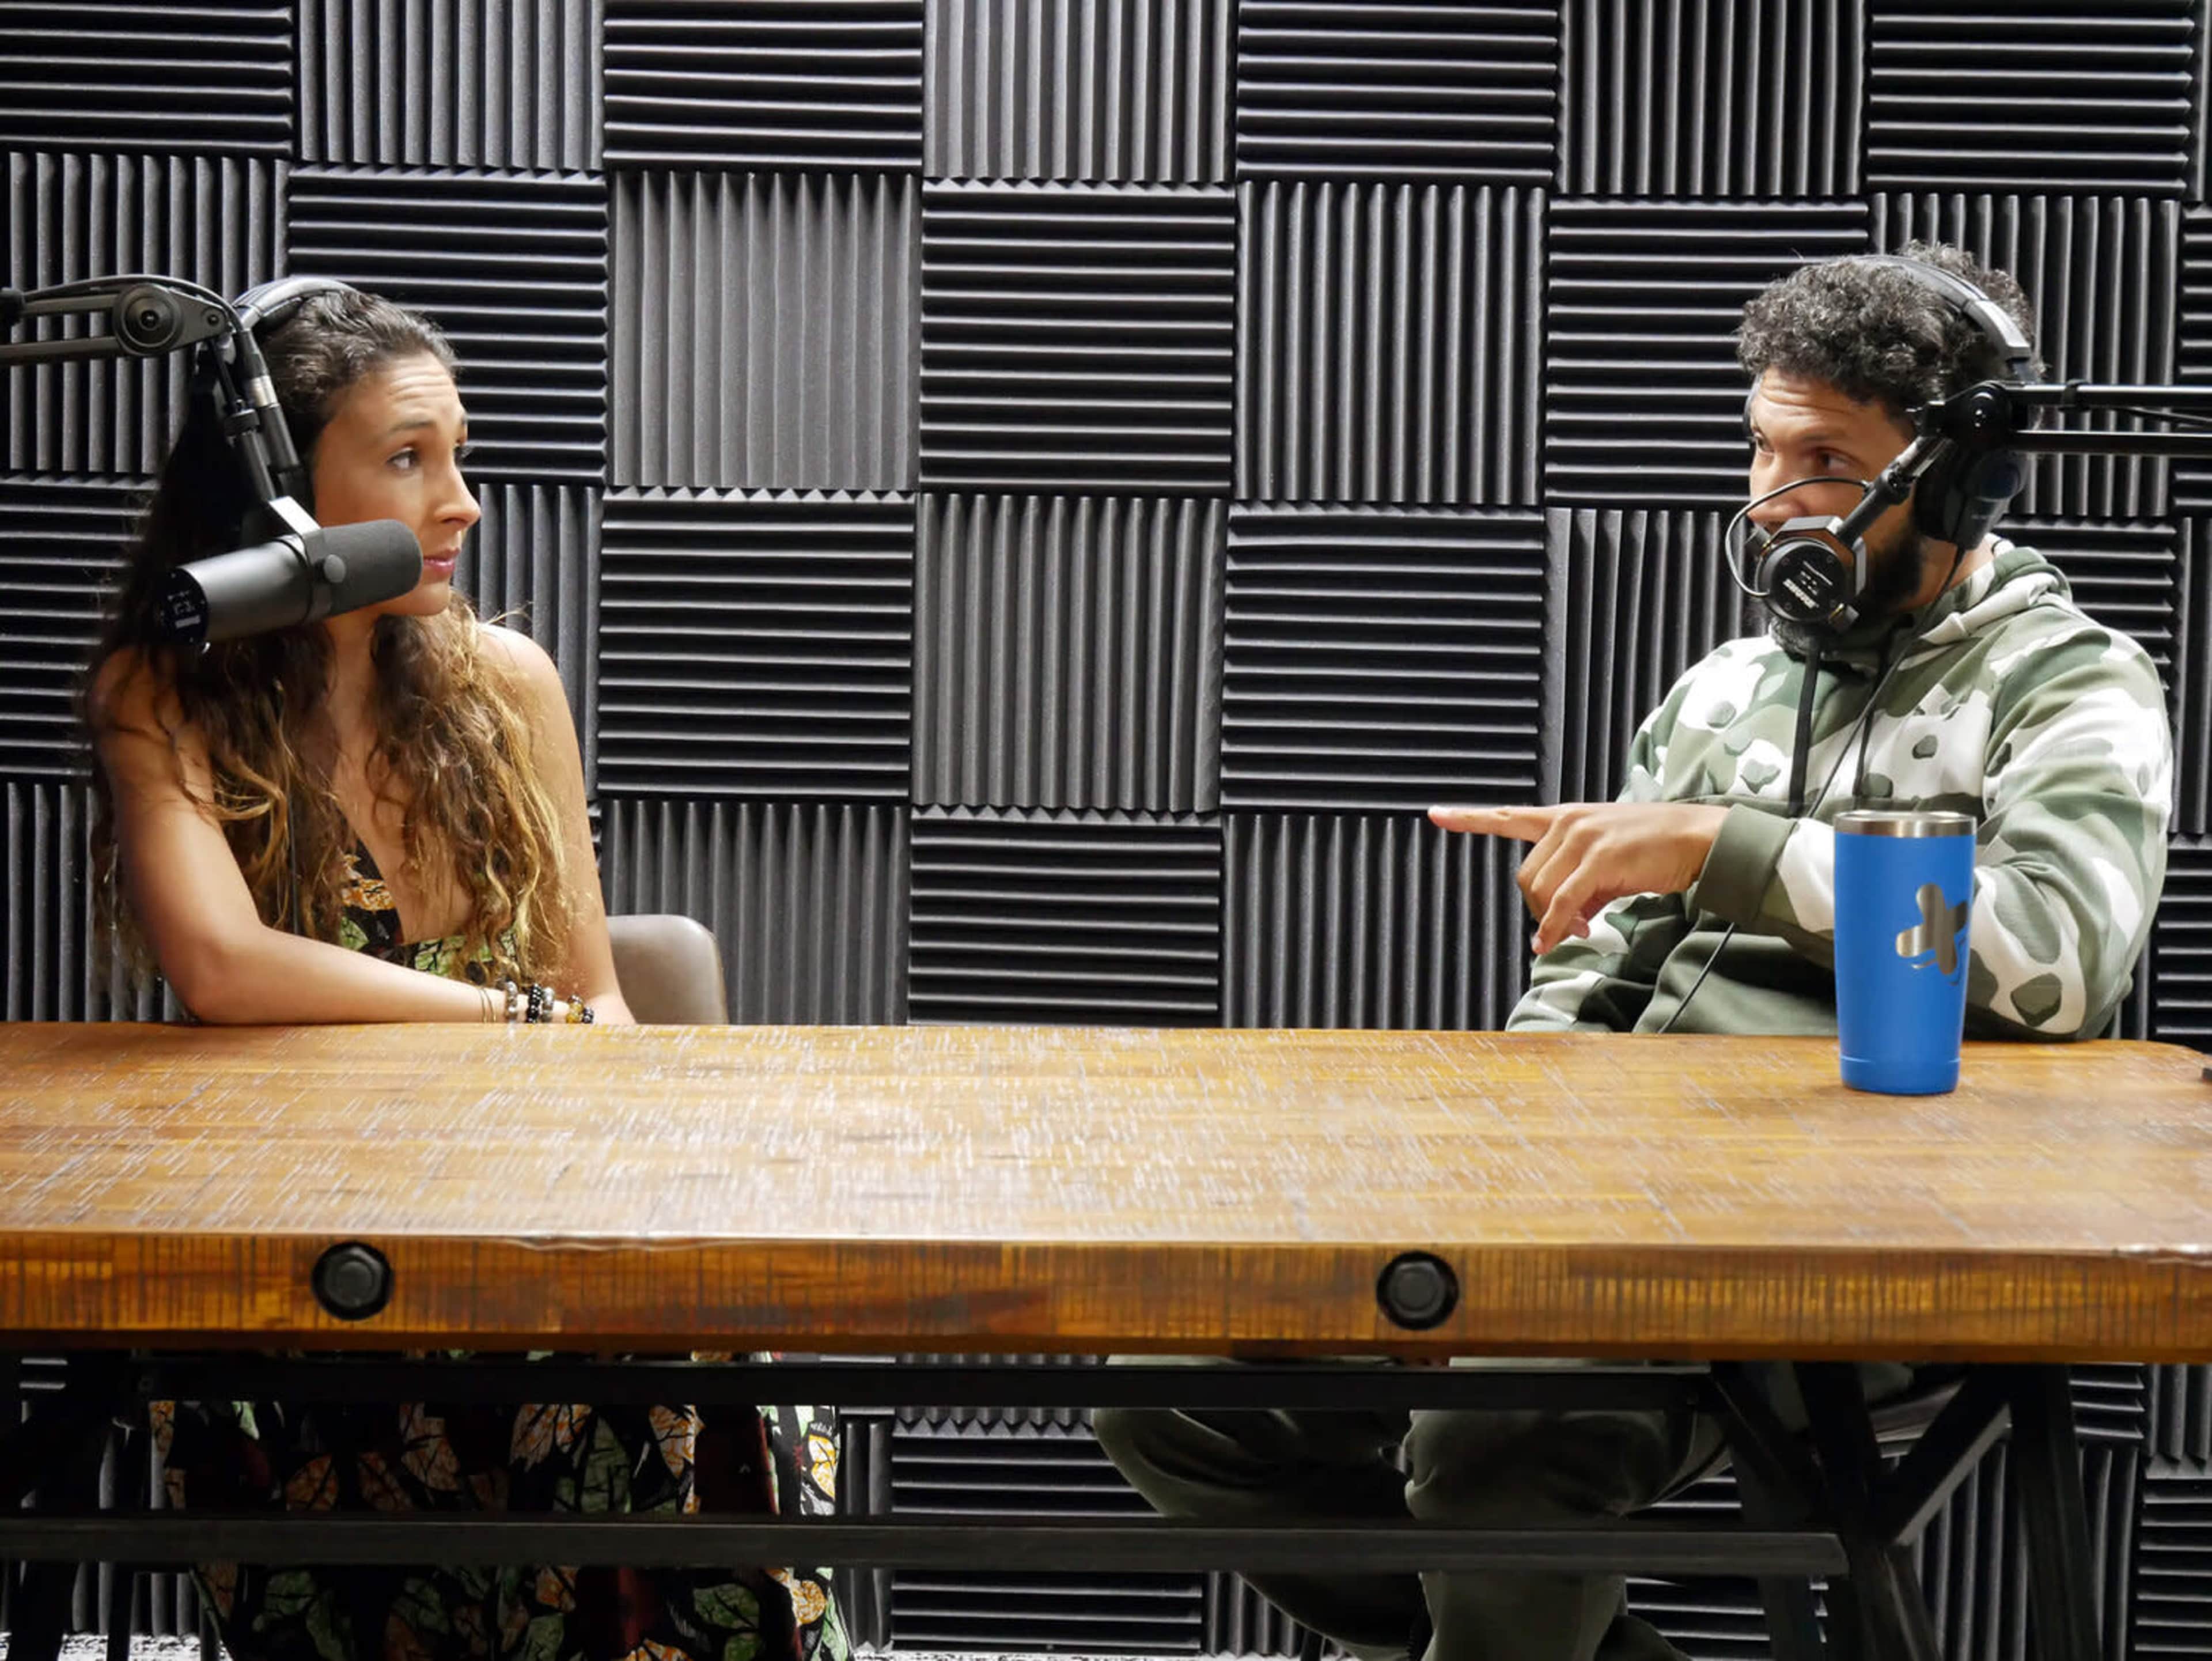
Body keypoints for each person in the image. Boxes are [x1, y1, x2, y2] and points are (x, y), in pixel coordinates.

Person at [1094, 243, 2173, 1661]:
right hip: (1588, 1209)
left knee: (1510, 1435)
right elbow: (1589, 962)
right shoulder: (1727, 689)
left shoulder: (2074, 683)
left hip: (1853, 1243)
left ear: (1961, 479)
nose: (1776, 501)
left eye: (1828, 461)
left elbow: (2057, 959)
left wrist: (1722, 846)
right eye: (1762, 450)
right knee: (1167, 1389)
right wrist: (1511, 1135)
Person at [86, 283, 846, 1661]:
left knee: (679, 1364)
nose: (462, 502)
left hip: (519, 1226)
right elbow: (222, 963)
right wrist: (508, 1017)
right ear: (279, 489)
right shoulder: (164, 691)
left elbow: (596, 995)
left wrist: (610, 1198)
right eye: (406, 457)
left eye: (460, 455)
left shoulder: (509, 684)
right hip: (310, 1273)